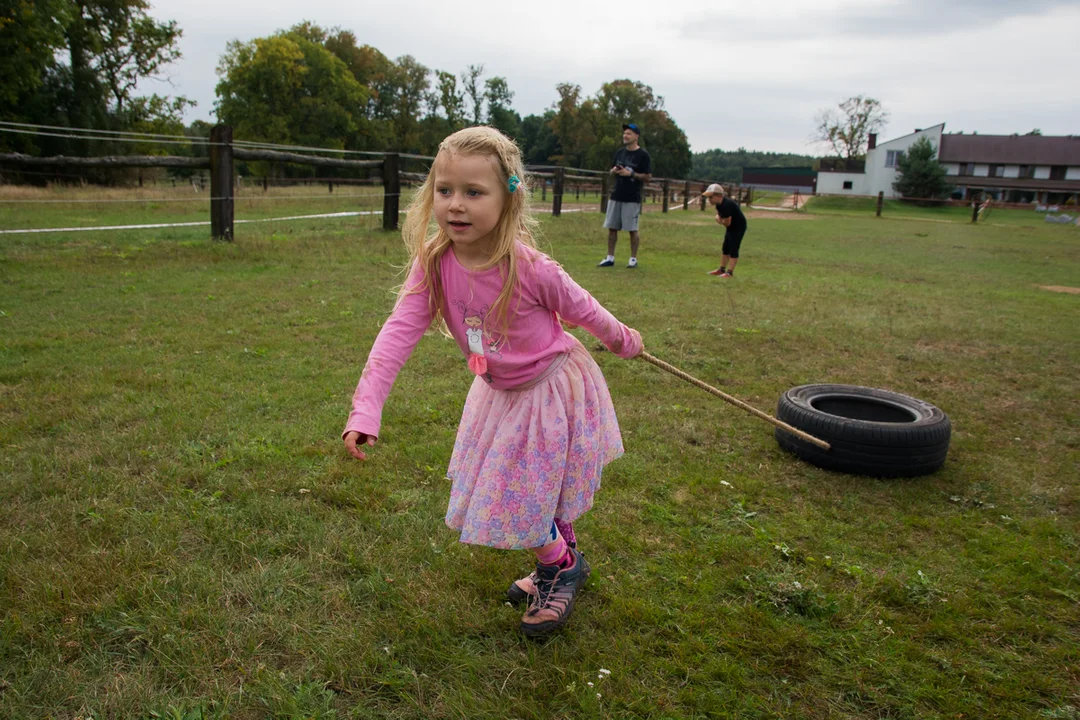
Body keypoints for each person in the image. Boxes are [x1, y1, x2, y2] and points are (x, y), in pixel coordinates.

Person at [342, 126, 644, 637]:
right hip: (497, 391)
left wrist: (622, 340)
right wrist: (366, 408)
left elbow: (583, 308)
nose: (455, 206)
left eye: (473, 192)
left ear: (509, 197)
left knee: (515, 488)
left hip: (548, 389)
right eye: (444, 190)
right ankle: (562, 556)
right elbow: (397, 333)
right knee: (527, 483)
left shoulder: (530, 267)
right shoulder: (435, 263)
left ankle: (559, 566)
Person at [598, 123, 652, 269]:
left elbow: (648, 177)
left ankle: (633, 259)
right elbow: (611, 170)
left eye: (628, 133)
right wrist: (614, 171)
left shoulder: (643, 155)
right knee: (612, 227)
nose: (625, 136)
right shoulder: (620, 152)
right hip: (616, 195)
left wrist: (631, 174)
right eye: (624, 133)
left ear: (636, 136)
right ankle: (610, 257)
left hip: (632, 197)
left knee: (632, 229)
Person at [701, 183, 747, 278]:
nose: (709, 200)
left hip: (738, 227)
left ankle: (729, 272)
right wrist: (720, 219)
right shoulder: (719, 205)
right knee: (725, 247)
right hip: (731, 228)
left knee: (733, 248)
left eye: (711, 197)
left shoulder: (727, 205)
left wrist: (720, 221)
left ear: (719, 196)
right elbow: (719, 215)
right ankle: (721, 269)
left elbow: (727, 223)